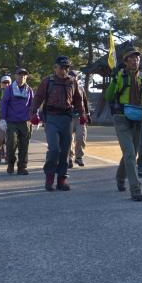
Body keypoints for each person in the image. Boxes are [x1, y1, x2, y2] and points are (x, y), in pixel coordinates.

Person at [29, 56, 88, 192]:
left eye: (67, 67)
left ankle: (62, 180)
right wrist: (33, 114)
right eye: (62, 67)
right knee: (54, 148)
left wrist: (83, 115)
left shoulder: (72, 82)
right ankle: (49, 178)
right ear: (55, 68)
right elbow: (38, 98)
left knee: (65, 150)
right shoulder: (47, 81)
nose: (65, 70)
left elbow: (78, 101)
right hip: (51, 119)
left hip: (66, 118)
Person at [104, 48, 142, 201]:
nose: (135, 61)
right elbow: (109, 96)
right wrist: (112, 81)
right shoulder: (119, 76)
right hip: (121, 118)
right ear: (125, 62)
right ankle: (135, 188)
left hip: (138, 118)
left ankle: (120, 177)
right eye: (131, 59)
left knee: (132, 153)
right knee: (131, 154)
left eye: (137, 59)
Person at [0, 68, 34, 175]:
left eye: (24, 75)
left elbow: (33, 105)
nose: (22, 77)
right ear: (16, 76)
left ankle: (22, 167)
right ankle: (11, 164)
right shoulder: (9, 89)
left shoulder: (29, 90)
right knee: (11, 144)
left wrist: (35, 117)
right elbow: (4, 103)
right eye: (20, 75)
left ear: (26, 77)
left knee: (24, 145)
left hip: (25, 122)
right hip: (12, 121)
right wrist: (3, 119)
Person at [68, 70, 90, 168]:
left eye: (75, 76)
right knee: (68, 139)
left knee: (81, 137)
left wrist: (87, 115)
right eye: (71, 76)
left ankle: (79, 157)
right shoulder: (66, 88)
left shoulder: (81, 89)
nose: (73, 78)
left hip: (80, 117)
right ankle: (69, 157)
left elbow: (85, 102)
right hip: (68, 117)